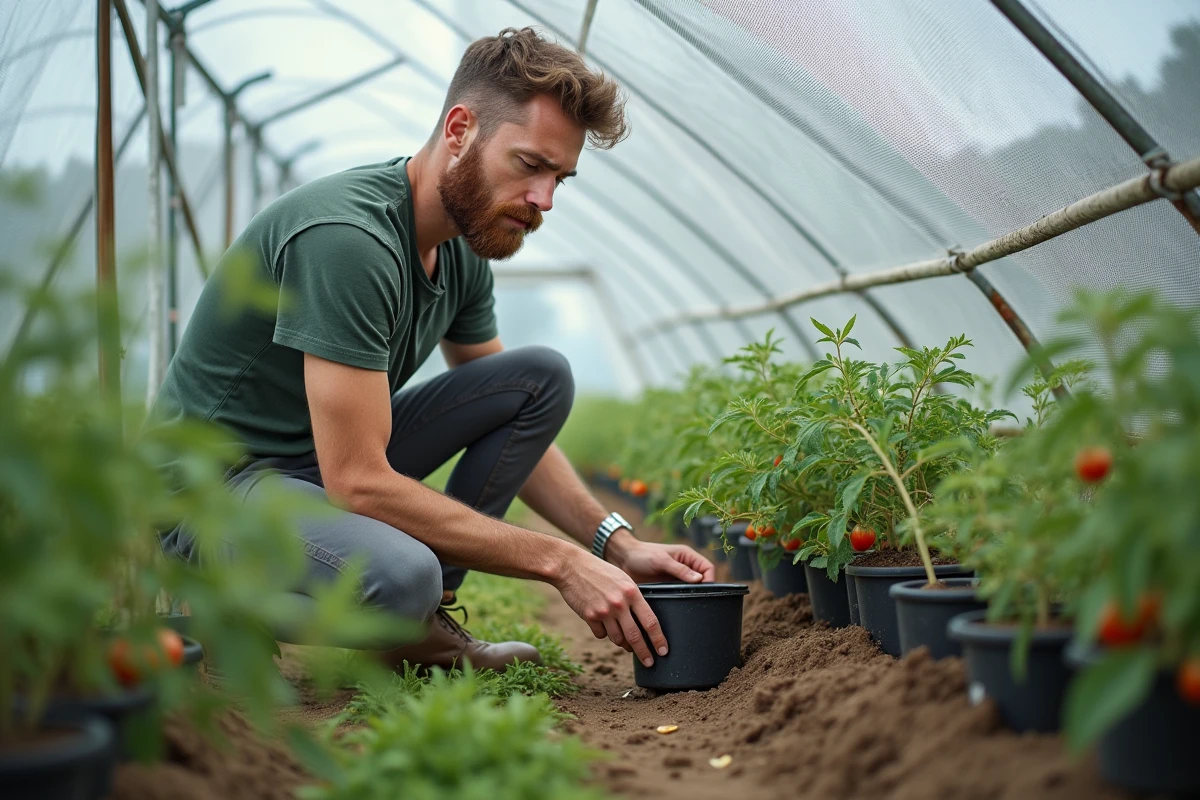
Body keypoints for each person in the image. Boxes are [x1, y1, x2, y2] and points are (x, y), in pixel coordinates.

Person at [151, 27, 714, 673]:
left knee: (539, 378)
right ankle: (246, 603)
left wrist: (615, 544)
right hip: (214, 493)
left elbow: (510, 411)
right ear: (459, 129)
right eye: (530, 165)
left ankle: (422, 617)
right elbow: (358, 482)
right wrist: (559, 561)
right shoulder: (348, 240)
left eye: (561, 177)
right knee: (402, 578)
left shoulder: (461, 250)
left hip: (307, 471)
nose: (544, 201)